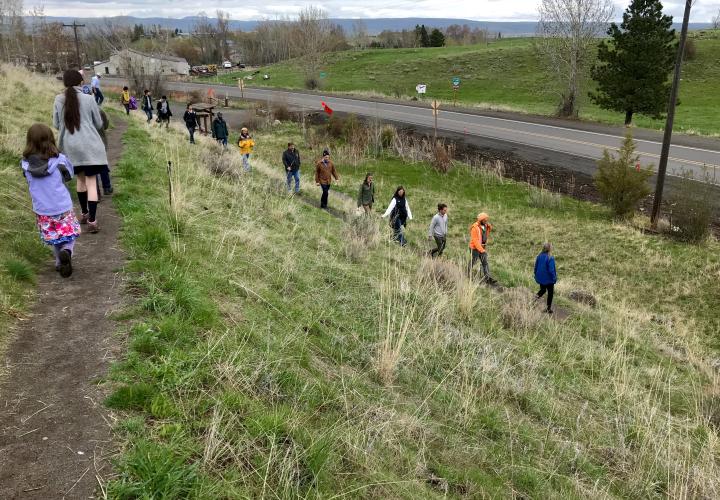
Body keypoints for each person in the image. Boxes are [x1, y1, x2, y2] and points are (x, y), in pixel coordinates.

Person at [21, 124, 80, 278]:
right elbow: (69, 176)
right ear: (51, 140)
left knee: (54, 237)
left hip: (42, 209)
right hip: (62, 206)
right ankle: (66, 252)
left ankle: (59, 262)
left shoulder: (26, 166)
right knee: (69, 234)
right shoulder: (60, 161)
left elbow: (29, 182)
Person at [53, 69, 108, 234]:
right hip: (90, 146)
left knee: (80, 181)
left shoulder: (58, 99)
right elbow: (99, 124)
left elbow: (56, 124)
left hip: (70, 147)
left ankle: (83, 213)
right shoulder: (89, 98)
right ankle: (92, 220)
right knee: (92, 183)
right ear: (81, 82)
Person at [468, 212, 496, 283]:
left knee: (485, 262)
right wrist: (481, 250)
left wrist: (489, 227)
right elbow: (475, 241)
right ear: (481, 220)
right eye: (485, 220)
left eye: (487, 220)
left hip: (482, 247)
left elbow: (486, 232)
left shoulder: (485, 225)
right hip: (474, 248)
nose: (486, 221)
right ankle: (469, 275)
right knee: (473, 261)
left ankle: (488, 278)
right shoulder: (475, 228)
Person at [534, 242, 557, 314]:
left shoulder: (539, 256)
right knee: (550, 293)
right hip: (549, 279)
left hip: (540, 277)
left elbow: (536, 267)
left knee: (543, 289)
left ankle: (533, 300)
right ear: (549, 249)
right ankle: (548, 309)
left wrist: (536, 274)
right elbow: (551, 270)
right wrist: (554, 278)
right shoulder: (550, 258)